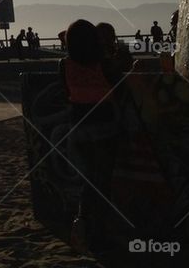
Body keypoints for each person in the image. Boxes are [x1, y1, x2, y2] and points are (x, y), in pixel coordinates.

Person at [59, 19, 122, 255]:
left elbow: (66, 93)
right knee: (102, 184)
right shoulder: (104, 65)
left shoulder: (64, 65)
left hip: (78, 129)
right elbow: (120, 86)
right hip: (105, 128)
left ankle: (81, 222)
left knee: (89, 182)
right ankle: (97, 234)